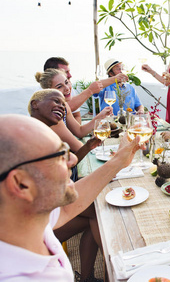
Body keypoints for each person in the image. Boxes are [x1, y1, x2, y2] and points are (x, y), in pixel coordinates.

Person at [0, 114, 142, 281]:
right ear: (21, 183)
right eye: (59, 155)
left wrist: (119, 160)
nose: (73, 159)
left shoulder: (24, 218)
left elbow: (67, 209)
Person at [28, 89, 103, 282]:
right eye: (56, 101)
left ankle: (86, 277)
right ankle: (113, 266)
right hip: (37, 226)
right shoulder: (30, 138)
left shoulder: (46, 133)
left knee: (94, 217)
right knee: (98, 212)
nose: (63, 106)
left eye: (64, 104)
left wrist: (89, 146)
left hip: (49, 212)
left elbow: (69, 162)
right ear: (35, 103)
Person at [35, 68, 111, 153]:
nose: (67, 88)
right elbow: (79, 148)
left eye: (66, 82)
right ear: (49, 91)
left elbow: (79, 131)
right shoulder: (52, 114)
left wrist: (101, 115)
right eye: (59, 86)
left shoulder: (64, 106)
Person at [43, 57, 128, 124]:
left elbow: (77, 116)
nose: (70, 75)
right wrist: (89, 91)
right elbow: (68, 107)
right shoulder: (43, 98)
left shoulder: (69, 89)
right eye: (66, 72)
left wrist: (73, 131)